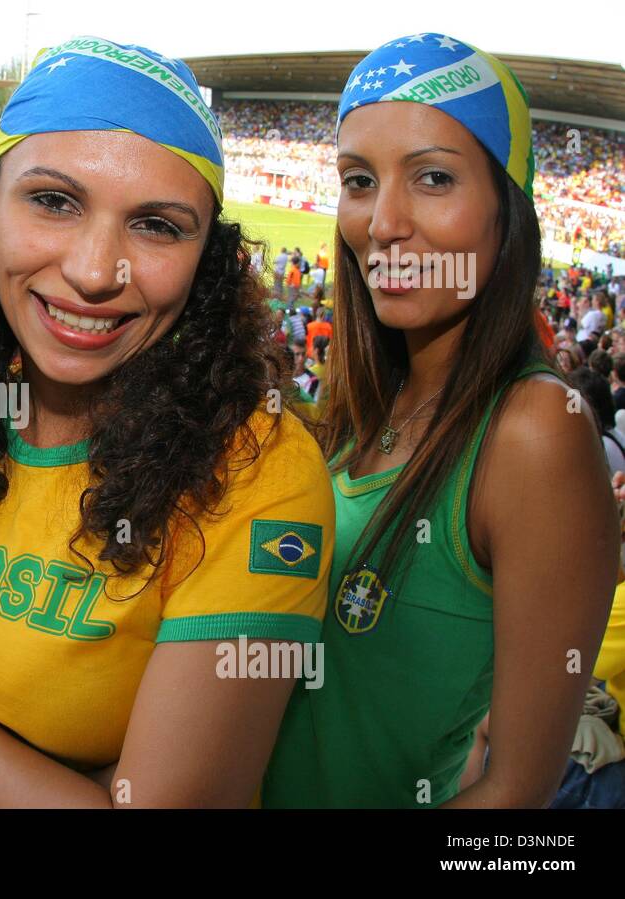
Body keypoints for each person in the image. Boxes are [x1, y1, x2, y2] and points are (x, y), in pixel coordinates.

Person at [0, 37, 334, 810]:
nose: (98, 271)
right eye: (54, 201)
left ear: (207, 258)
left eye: (158, 226)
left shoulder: (257, 472)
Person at [263, 32, 618, 809]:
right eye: (358, 180)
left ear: (507, 207)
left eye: (431, 177)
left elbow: (513, 795)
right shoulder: (357, 403)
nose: (384, 221)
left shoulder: (536, 431)